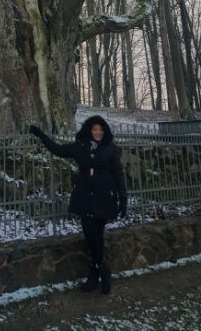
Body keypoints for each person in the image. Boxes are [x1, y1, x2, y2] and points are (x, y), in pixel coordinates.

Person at [29, 115, 127, 295]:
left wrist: (123, 199)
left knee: (97, 236)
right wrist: (41, 135)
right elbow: (57, 149)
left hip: (105, 197)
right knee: (91, 237)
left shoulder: (110, 149)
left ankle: (94, 274)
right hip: (85, 197)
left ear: (104, 132)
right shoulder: (80, 147)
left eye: (101, 130)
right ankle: (102, 269)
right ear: (90, 130)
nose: (98, 132)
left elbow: (118, 174)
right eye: (95, 129)